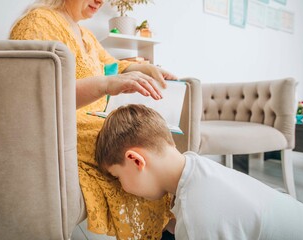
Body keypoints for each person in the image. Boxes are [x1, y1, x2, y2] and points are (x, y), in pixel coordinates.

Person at [10, 0, 177, 239]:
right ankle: (166, 229)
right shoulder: (38, 22)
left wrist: (147, 70)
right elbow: (36, 93)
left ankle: (172, 223)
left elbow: (114, 65)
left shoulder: (85, 34)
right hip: (61, 127)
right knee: (136, 142)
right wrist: (105, 84)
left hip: (96, 120)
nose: (100, 1)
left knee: (151, 132)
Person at [95, 104, 303, 240]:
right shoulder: (195, 164)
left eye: (118, 177)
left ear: (135, 160)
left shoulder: (194, 218)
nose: (121, 187)